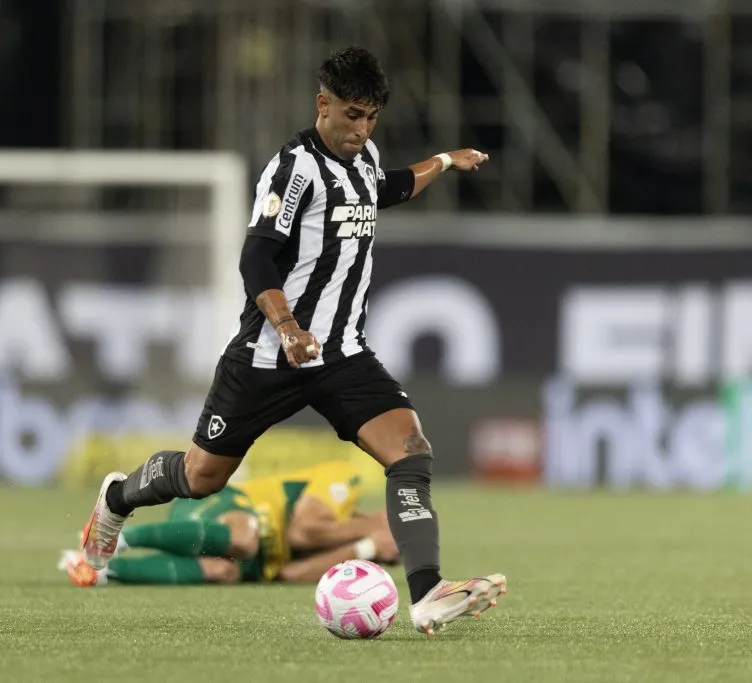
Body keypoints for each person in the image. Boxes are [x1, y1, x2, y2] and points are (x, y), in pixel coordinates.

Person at [81, 46, 506, 636]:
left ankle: (428, 591)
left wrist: (444, 161)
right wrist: (286, 327)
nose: (362, 129)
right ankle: (119, 497)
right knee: (202, 477)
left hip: (342, 354)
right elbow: (256, 256)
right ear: (322, 104)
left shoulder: (364, 158)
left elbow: (385, 189)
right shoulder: (292, 169)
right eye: (352, 115)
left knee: (410, 451)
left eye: (372, 118)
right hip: (269, 356)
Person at [62, 460, 400, 586]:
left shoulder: (352, 552)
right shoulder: (345, 480)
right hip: (222, 504)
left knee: (223, 571)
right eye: (401, 533)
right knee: (245, 538)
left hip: (250, 558)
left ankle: (100, 573)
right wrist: (370, 533)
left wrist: (366, 548)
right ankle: (114, 538)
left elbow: (290, 574)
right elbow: (301, 532)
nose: (393, 549)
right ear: (389, 515)